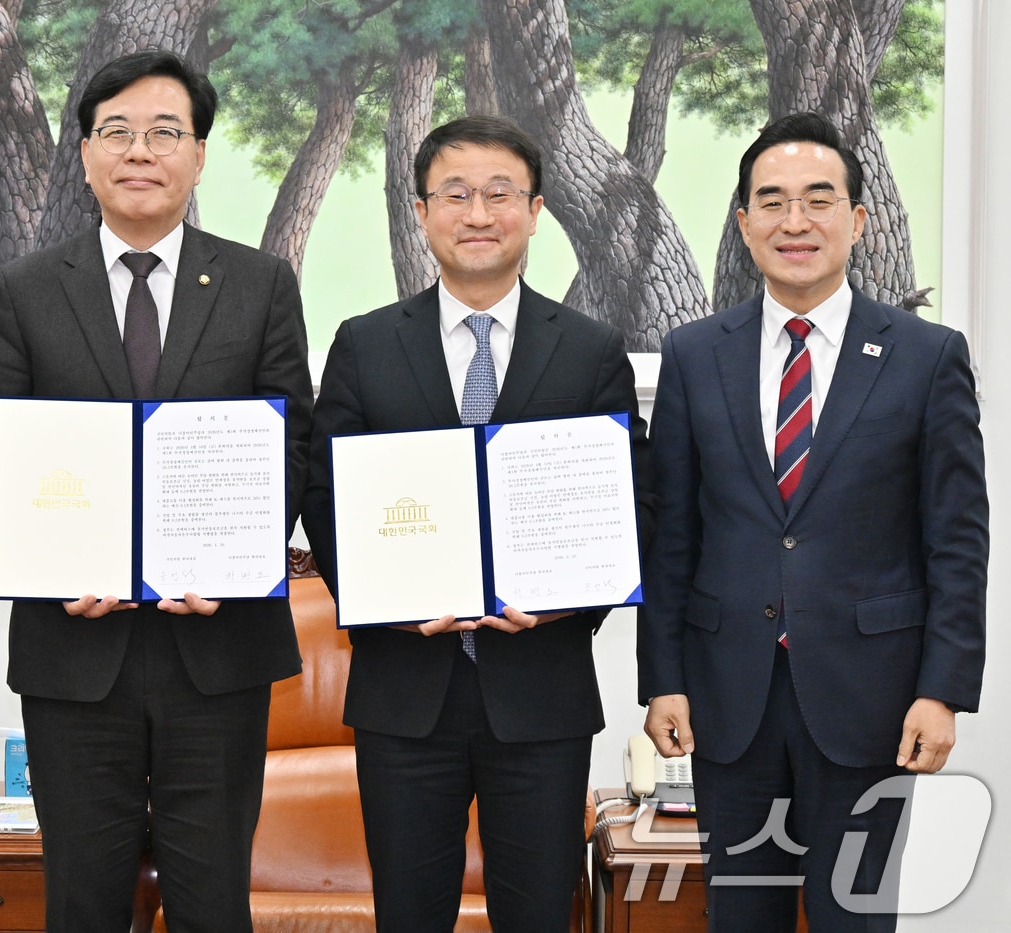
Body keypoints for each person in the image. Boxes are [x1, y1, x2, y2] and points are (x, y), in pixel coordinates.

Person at [0, 49, 313, 933]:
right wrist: (57, 562)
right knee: (82, 900)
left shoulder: (261, 283)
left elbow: (291, 445)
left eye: (164, 132)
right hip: (75, 648)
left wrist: (234, 563)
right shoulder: (24, 290)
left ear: (199, 154)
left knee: (213, 901)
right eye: (117, 133)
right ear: (86, 155)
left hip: (219, 646)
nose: (140, 152)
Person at [300, 114, 654, 933]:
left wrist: (568, 601)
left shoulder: (592, 350)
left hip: (542, 691)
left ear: (535, 210)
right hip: (403, 689)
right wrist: (387, 601)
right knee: (408, 915)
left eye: (500, 193)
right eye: (455, 194)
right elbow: (325, 495)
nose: (479, 214)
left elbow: (628, 501)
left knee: (539, 914)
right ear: (422, 212)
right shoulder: (364, 344)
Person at [639, 112, 987, 932]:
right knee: (741, 916)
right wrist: (663, 678)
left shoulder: (926, 355)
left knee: (854, 916)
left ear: (857, 220)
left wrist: (942, 690)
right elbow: (672, 535)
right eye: (772, 201)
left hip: (873, 699)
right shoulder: (694, 354)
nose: (794, 221)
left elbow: (957, 541)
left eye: (818, 199)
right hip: (730, 697)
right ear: (744, 223)